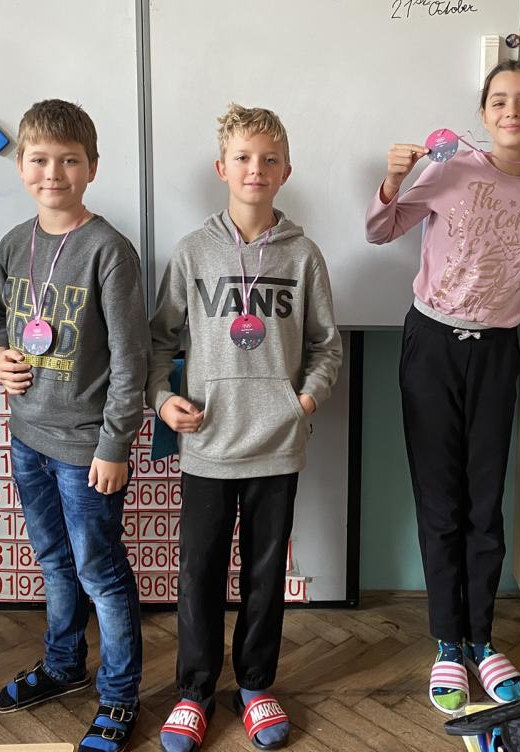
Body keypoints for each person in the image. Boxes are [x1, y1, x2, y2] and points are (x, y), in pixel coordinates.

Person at [364, 59, 520, 713]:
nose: (512, 111)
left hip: (495, 354)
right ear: (484, 114)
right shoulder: (450, 169)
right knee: (439, 503)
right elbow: (379, 230)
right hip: (430, 346)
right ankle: (447, 642)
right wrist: (393, 181)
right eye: (499, 101)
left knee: (483, 504)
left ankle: (482, 639)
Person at [148, 103, 341, 752]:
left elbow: (326, 345)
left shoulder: (303, 255)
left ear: (286, 171)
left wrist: (304, 401)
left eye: (269, 159)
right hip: (208, 443)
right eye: (243, 158)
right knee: (199, 573)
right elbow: (160, 339)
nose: (256, 169)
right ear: (221, 168)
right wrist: (161, 399)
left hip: (277, 445)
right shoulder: (193, 251)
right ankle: (194, 692)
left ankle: (255, 686)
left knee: (264, 574)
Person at [0, 99, 150, 752]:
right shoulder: (12, 243)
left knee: (99, 572)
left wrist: (115, 445)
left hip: (87, 448)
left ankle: (120, 695)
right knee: (54, 562)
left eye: (69, 160)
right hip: (26, 437)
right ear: (21, 166)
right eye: (39, 159)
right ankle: (63, 666)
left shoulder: (109, 250)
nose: (52, 173)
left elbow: (132, 360)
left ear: (92, 168)